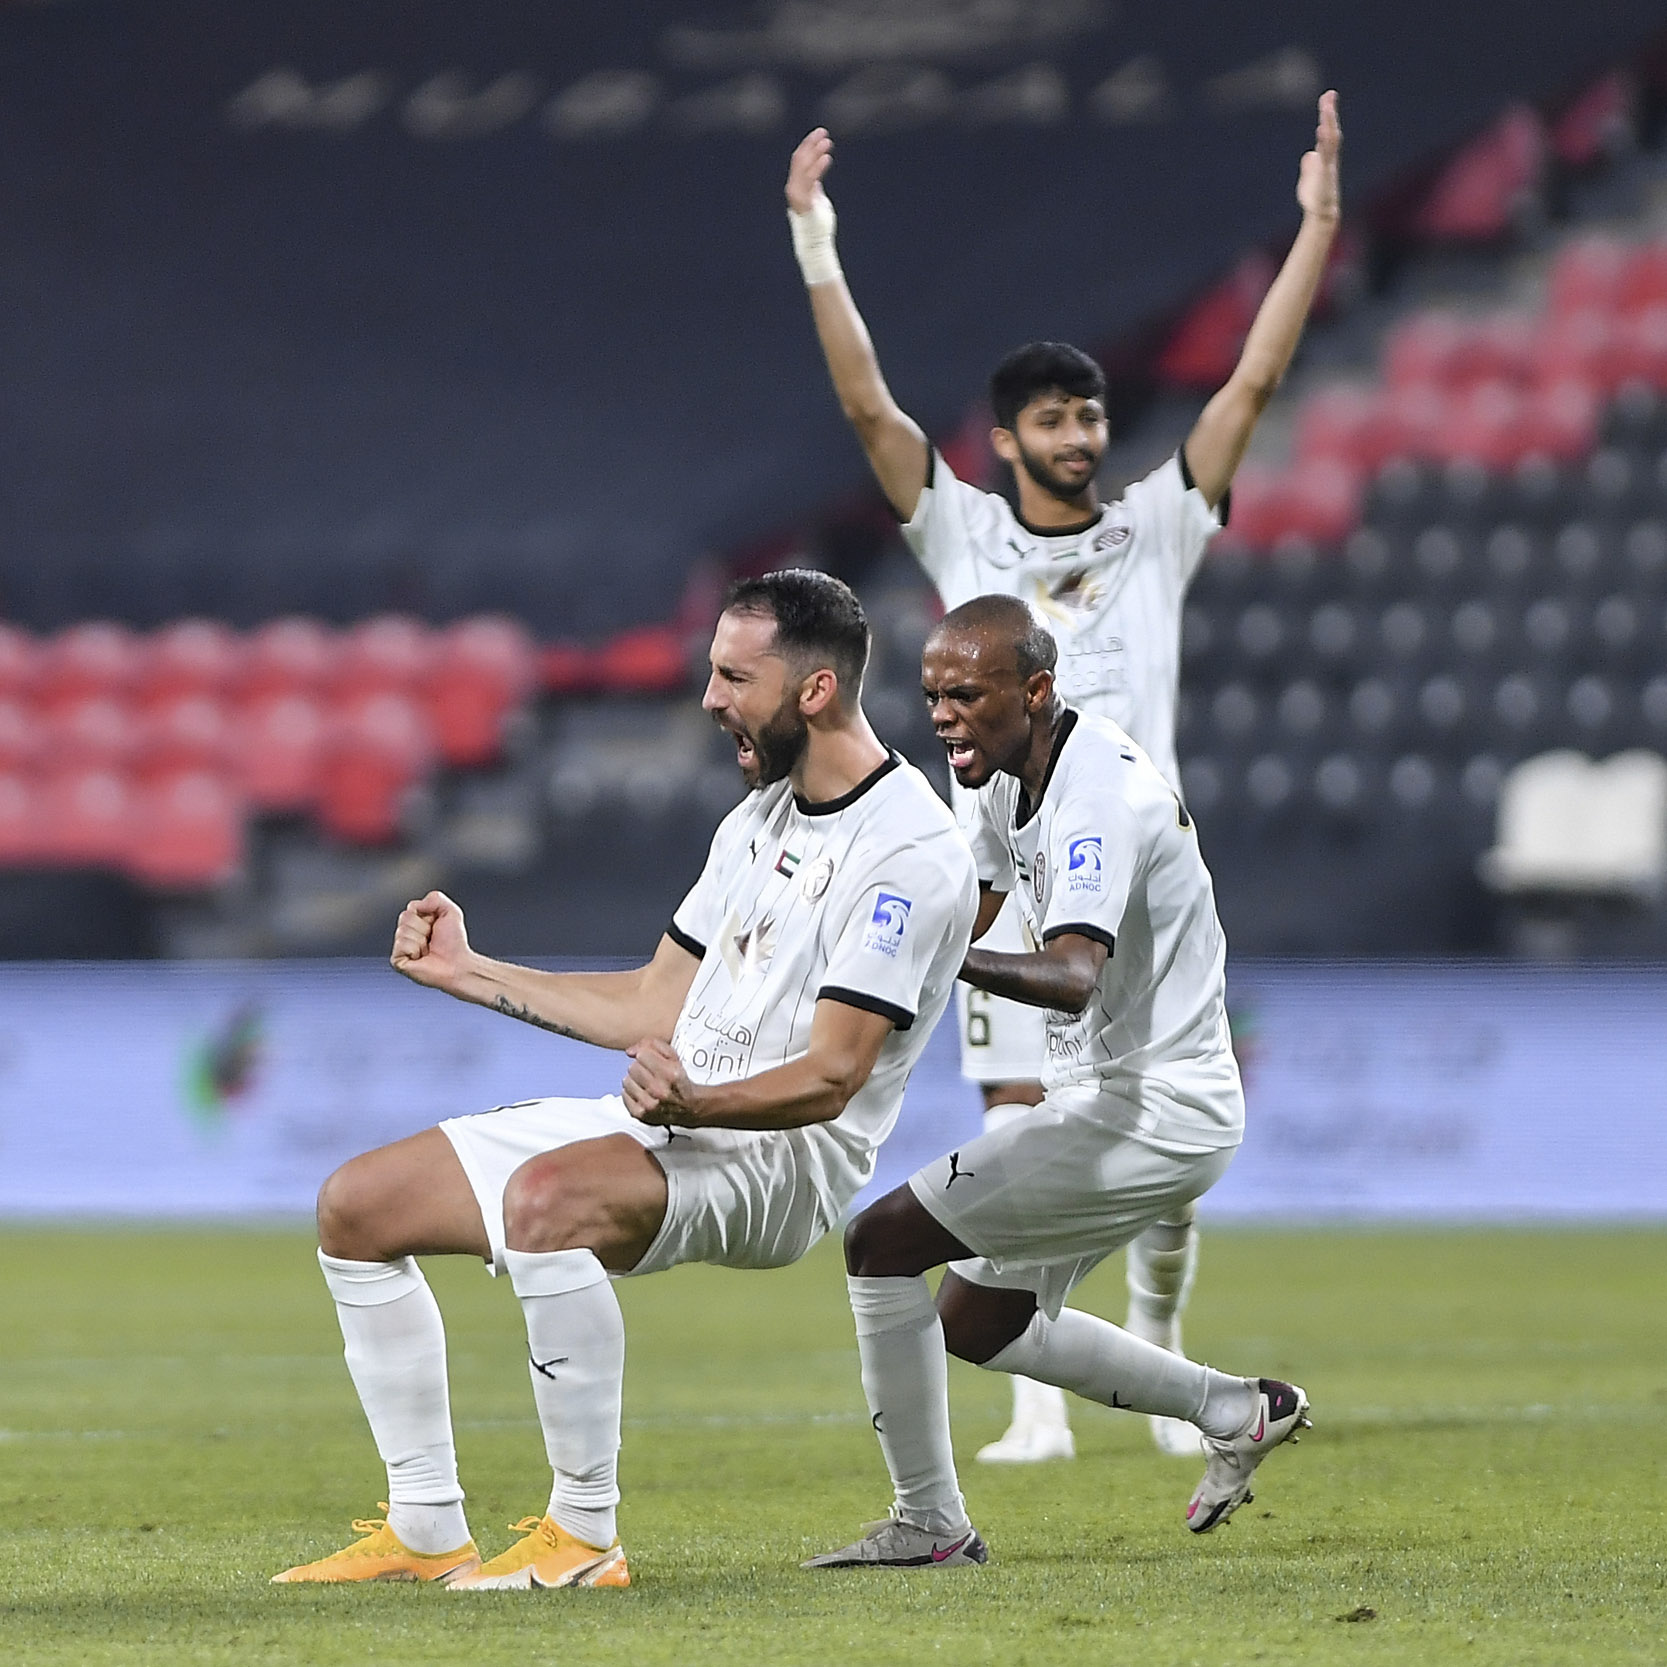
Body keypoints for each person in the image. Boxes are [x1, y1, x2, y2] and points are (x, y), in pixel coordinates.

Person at [784, 93, 1342, 1461]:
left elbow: (1250, 385)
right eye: (1053, 417)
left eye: (1089, 413)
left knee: (1149, 1153)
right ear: (1006, 437)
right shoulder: (963, 534)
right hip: (1007, 868)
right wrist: (813, 243)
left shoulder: (1154, 527)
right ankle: (1038, 1402)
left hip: (1139, 870)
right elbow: (863, 403)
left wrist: (1317, 225)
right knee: (1015, 1122)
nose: (1081, 434)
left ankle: (1157, 1351)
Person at [271, 570, 979, 1592]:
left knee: (546, 1201)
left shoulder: (908, 851)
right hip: (678, 1120)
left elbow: (832, 1076)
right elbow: (653, 1003)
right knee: (357, 1204)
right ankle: (424, 1528)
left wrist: (695, 1102)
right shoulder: (756, 822)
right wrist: (469, 971)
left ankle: (583, 1534)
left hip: (784, 1157)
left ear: (816, 689)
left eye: (734, 677)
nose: (710, 698)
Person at [805, 596, 1308, 1568]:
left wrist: (929, 955)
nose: (942, 715)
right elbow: (974, 899)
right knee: (975, 1321)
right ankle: (1236, 1409)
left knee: (879, 1242)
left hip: (1150, 1107)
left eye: (965, 694)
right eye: (932, 695)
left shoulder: (1094, 796)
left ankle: (929, 1524)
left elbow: (1072, 974)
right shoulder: (1004, 774)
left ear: (1035, 690)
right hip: (1107, 1097)